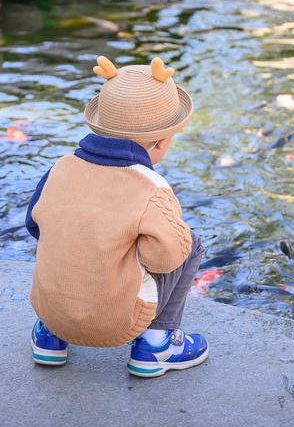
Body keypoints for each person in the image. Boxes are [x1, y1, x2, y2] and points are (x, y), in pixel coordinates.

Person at [25, 55, 208, 378]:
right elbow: (166, 259)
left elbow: (34, 226)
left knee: (67, 237)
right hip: (118, 321)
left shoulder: (61, 167)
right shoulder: (150, 186)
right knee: (189, 243)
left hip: (51, 310)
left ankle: (50, 336)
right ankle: (156, 345)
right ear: (162, 142)